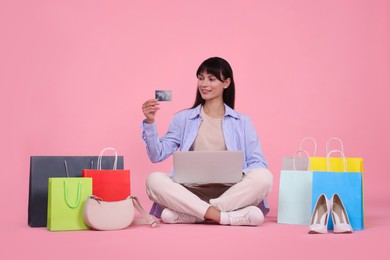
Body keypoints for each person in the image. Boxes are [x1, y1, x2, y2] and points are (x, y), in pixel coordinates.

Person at [141, 57, 273, 226]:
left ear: (226, 83)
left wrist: (240, 173)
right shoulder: (183, 118)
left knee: (264, 177)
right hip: (190, 191)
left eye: (211, 79)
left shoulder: (242, 122)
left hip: (230, 192)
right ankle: (222, 216)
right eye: (201, 78)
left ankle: (196, 214)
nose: (204, 84)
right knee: (154, 180)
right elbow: (156, 155)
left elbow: (258, 162)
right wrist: (150, 123)